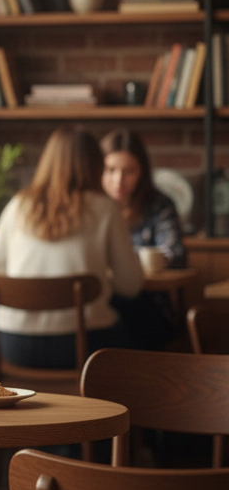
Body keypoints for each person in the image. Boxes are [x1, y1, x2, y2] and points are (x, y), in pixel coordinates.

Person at [0, 128, 143, 369]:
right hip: (82, 343)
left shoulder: (19, 205)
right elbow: (131, 286)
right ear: (95, 165)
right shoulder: (105, 209)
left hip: (16, 343)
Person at [100, 128, 186, 348]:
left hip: (148, 302)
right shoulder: (93, 207)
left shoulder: (158, 205)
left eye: (129, 171)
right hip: (100, 301)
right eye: (110, 170)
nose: (118, 180)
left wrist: (127, 262)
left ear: (142, 172)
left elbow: (175, 253)